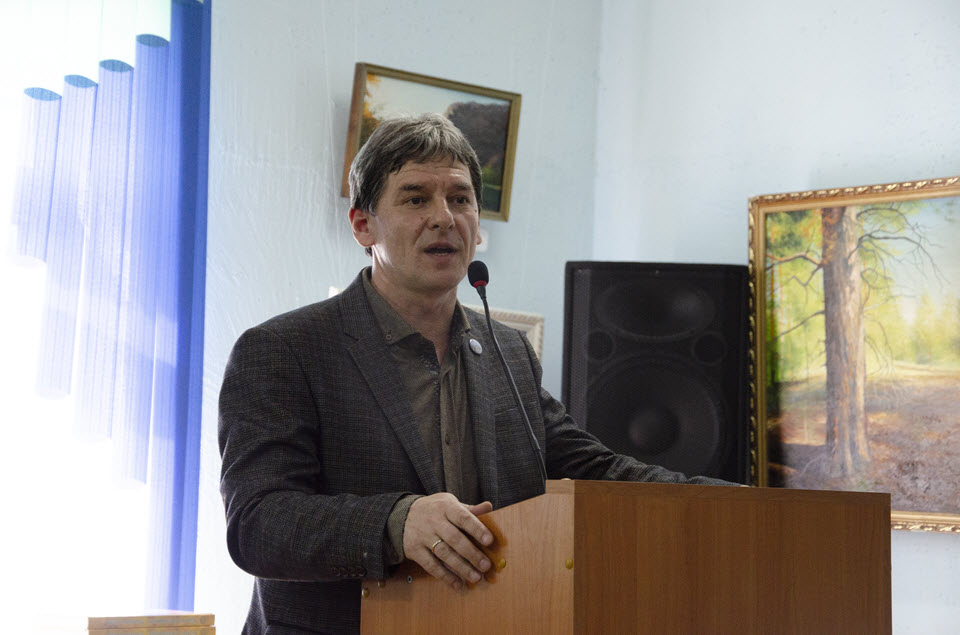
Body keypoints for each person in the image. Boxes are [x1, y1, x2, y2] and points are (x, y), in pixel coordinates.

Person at [218, 113, 734, 634]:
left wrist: (735, 502)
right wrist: (397, 522)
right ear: (362, 225)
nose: (444, 218)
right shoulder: (285, 350)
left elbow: (595, 471)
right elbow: (257, 523)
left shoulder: (508, 351)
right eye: (416, 199)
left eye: (460, 199)